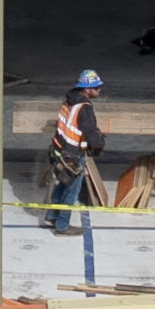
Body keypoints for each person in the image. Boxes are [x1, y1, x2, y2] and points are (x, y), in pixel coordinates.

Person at [42, 69, 106, 234]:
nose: (99, 90)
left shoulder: (70, 98)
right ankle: (62, 226)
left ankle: (51, 216)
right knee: (71, 191)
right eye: (96, 87)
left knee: (63, 185)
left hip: (59, 149)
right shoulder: (84, 107)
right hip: (73, 154)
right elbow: (90, 133)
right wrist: (99, 144)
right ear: (86, 89)